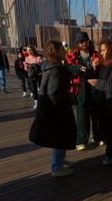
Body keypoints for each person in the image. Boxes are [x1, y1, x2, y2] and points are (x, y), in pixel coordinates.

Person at [29, 41, 77, 178]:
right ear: (56, 52)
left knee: (60, 136)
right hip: (57, 109)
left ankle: (60, 160)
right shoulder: (56, 70)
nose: (65, 52)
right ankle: (57, 167)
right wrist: (65, 104)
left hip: (51, 108)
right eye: (62, 49)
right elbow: (53, 92)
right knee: (59, 137)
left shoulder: (49, 66)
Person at [66, 32, 102, 151]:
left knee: (97, 115)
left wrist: (98, 66)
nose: (84, 43)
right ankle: (82, 141)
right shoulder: (72, 56)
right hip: (80, 89)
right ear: (77, 43)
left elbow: (100, 71)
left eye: (86, 41)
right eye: (81, 41)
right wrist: (77, 68)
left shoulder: (96, 54)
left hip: (95, 88)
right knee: (82, 117)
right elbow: (68, 69)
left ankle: (98, 136)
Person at [24, 46, 43, 110]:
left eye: (30, 50)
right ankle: (36, 103)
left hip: (39, 75)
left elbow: (42, 66)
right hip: (31, 75)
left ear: (33, 50)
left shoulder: (38, 57)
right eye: (27, 50)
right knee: (33, 89)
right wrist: (26, 66)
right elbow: (26, 68)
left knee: (41, 88)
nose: (29, 52)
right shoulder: (27, 58)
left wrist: (39, 63)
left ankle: (42, 101)